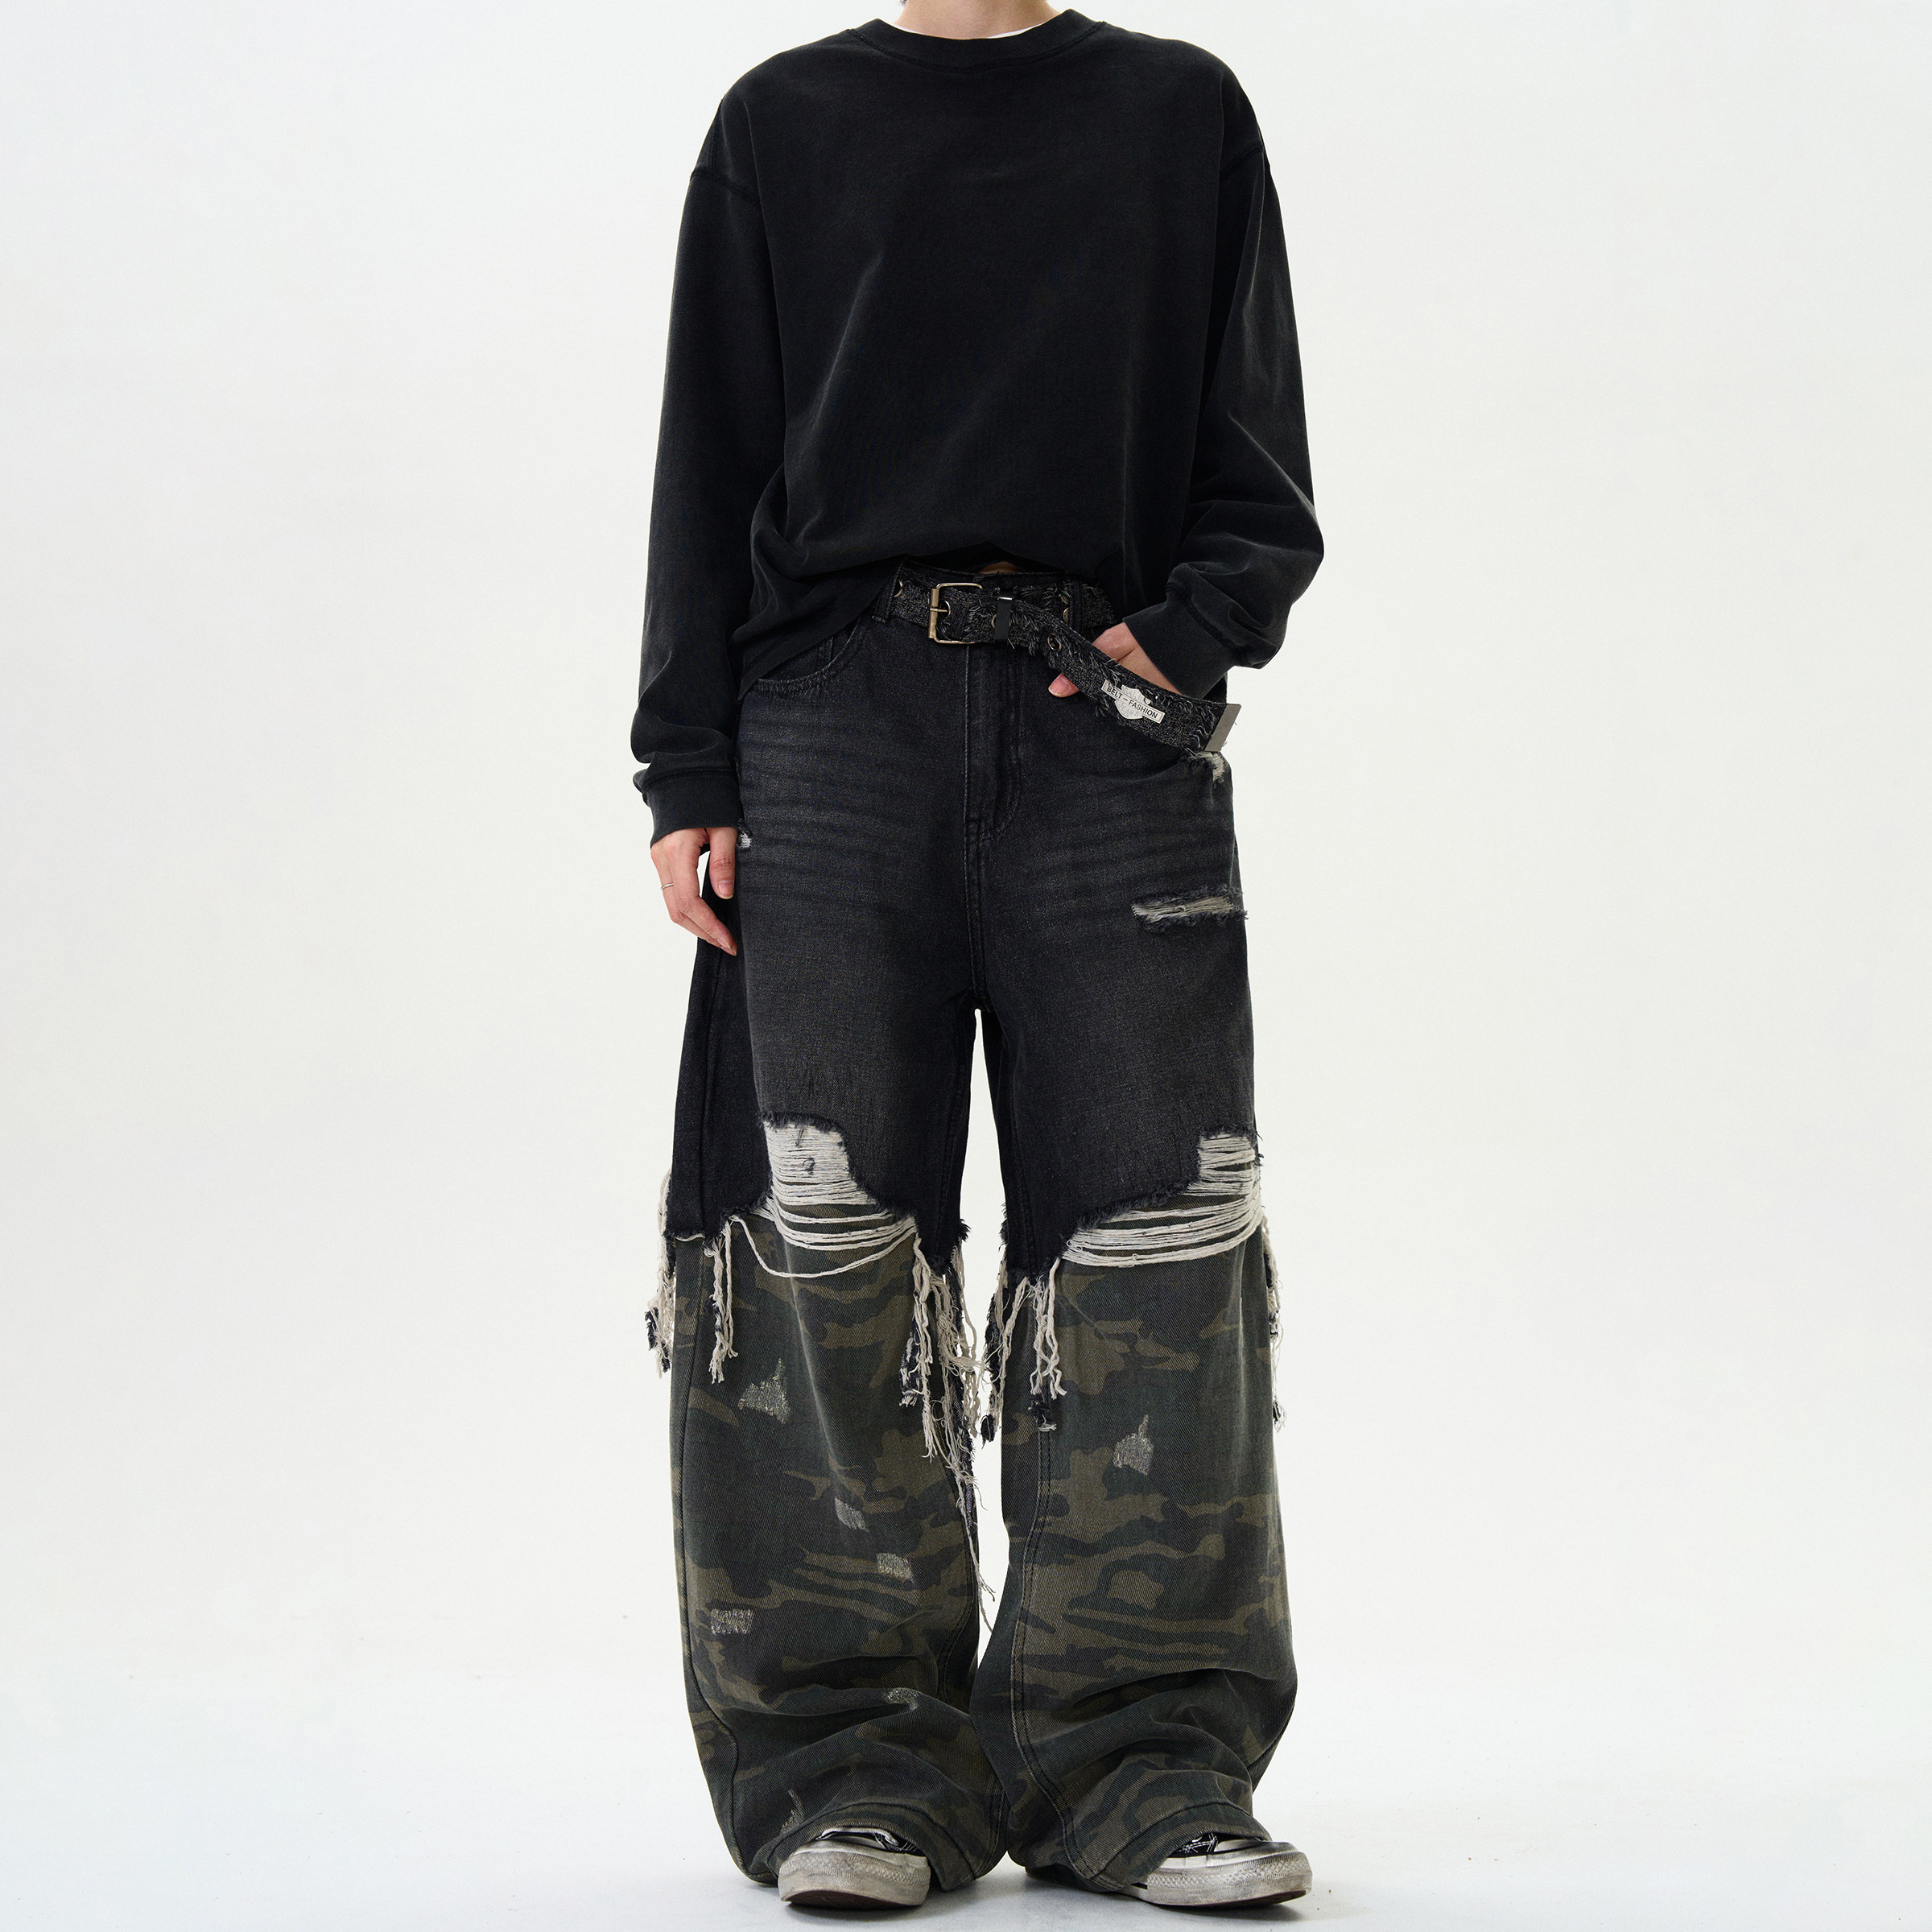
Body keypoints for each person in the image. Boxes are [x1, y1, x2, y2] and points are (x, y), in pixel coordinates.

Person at [630, 0, 1323, 1911]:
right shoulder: (784, 120)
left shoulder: (1179, 111)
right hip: (826, 728)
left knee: (1159, 1240)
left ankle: (1147, 1768)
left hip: (1111, 723)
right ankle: (851, 1769)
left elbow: (1258, 463)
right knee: (820, 1247)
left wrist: (1187, 635)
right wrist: (687, 767)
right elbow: (710, 453)